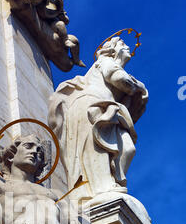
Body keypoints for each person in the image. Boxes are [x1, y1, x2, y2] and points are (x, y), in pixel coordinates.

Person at [49, 37, 148, 202]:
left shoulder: (111, 64)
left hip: (106, 108)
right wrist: (139, 87)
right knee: (96, 149)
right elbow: (120, 80)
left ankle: (110, 183)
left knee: (128, 148)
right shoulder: (105, 61)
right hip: (92, 107)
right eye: (123, 44)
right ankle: (101, 188)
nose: (128, 47)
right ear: (112, 49)